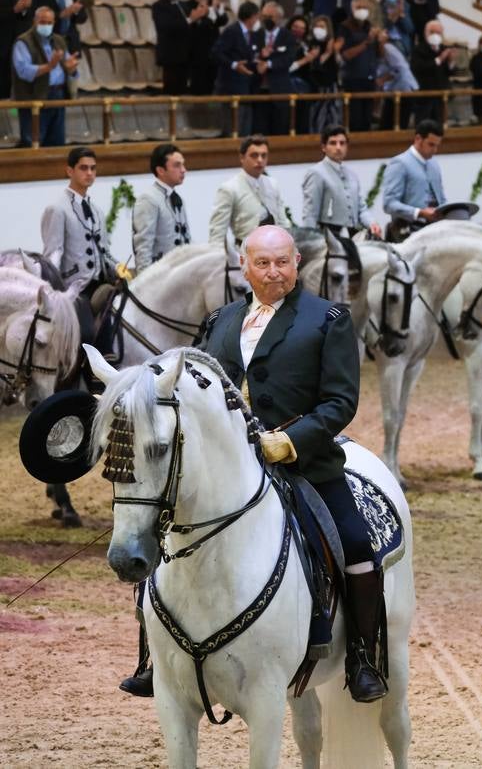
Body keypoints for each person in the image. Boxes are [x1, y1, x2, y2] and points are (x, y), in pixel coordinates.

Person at [121, 224, 388, 703]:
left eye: (282, 262)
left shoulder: (328, 318)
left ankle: (362, 656)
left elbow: (340, 401)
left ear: (297, 264)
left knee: (356, 545)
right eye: (262, 263)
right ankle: (150, 655)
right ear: (245, 267)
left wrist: (289, 441)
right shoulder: (221, 319)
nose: (273, 273)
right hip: (225, 467)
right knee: (160, 534)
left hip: (304, 464)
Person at [41, 146, 116, 295]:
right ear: (70, 171)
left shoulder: (97, 211)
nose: (89, 173)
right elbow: (53, 255)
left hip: (102, 284)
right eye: (83, 168)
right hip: (74, 289)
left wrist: (119, 268)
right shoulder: (57, 209)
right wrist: (53, 292)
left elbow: (105, 252)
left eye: (93, 168)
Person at [12, 5, 79, 147]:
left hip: (58, 97)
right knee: (34, 143)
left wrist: (71, 69)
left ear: (54, 23)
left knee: (57, 143)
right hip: (35, 97)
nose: (46, 26)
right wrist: (49, 67)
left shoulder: (59, 41)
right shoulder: (23, 42)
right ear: (34, 21)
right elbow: (23, 71)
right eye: (42, 22)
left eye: (49, 23)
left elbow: (68, 64)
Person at [208, 135, 290, 246]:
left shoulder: (272, 184)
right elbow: (217, 232)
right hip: (245, 252)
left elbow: (283, 222)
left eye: (264, 155)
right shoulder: (229, 188)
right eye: (254, 155)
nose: (260, 160)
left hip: (274, 250)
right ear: (242, 158)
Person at [302, 124, 381, 238]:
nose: (338, 147)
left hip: (352, 235)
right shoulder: (316, 173)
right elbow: (310, 214)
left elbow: (361, 209)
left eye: (342, 143)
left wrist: (372, 223)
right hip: (328, 237)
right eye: (333, 143)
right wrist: (311, 242)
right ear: (324, 147)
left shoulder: (352, 175)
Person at [382, 118, 446, 240]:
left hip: (435, 226)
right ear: (418, 139)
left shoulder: (434, 164)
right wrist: (419, 212)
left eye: (437, 146)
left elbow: (441, 198)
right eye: (431, 145)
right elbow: (389, 204)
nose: (435, 150)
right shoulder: (400, 163)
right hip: (407, 227)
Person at [132, 144, 191, 274]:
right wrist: (145, 281)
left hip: (180, 273)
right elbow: (143, 246)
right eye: (177, 165)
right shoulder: (148, 199)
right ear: (160, 170)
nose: (183, 170)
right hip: (161, 276)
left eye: (183, 164)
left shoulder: (177, 198)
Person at [211, 0, 261, 137]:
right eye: (257, 16)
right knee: (233, 129)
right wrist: (233, 65)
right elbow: (216, 52)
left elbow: (247, 57)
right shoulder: (232, 31)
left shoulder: (251, 34)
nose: (258, 20)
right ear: (251, 16)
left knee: (245, 130)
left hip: (246, 88)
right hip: (230, 87)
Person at [252, 1, 296, 136]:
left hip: (279, 89)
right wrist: (259, 58)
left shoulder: (288, 36)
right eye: (264, 16)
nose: (266, 20)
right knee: (260, 129)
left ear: (279, 18)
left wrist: (269, 64)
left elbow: (288, 59)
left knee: (280, 129)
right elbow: (250, 55)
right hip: (259, 89)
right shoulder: (256, 34)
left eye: (270, 17)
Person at [151, 0, 201, 95]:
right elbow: (166, 26)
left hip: (185, 54)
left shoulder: (183, 5)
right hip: (170, 55)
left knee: (183, 89)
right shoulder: (159, 6)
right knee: (171, 89)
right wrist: (190, 20)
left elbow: (192, 23)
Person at [336, 0, 379, 132]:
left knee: (367, 117)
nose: (362, 10)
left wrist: (381, 41)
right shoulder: (345, 27)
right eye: (358, 7)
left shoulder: (369, 26)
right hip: (353, 77)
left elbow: (379, 53)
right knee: (355, 117)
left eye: (364, 8)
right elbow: (345, 54)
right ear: (352, 8)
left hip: (369, 76)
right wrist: (366, 42)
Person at [185, 0, 228, 96]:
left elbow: (222, 20)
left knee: (214, 88)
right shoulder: (188, 5)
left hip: (213, 51)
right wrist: (208, 14)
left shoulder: (213, 5)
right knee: (199, 89)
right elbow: (200, 25)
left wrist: (215, 8)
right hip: (197, 53)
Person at [0, 0, 31, 99]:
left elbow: (22, 16)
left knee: (10, 83)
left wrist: (25, 7)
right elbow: (13, 10)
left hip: (13, 40)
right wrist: (15, 10)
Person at [410, 19, 456, 124]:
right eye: (432, 32)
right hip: (425, 94)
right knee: (423, 125)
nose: (435, 35)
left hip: (441, 94)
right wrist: (439, 59)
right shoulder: (418, 50)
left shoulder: (444, 49)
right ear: (426, 33)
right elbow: (418, 68)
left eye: (438, 33)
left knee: (439, 126)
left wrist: (451, 61)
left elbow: (450, 72)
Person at [375, 29, 418, 130]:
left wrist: (383, 79)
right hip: (391, 91)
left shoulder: (388, 49)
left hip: (405, 89)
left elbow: (400, 68)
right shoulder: (375, 52)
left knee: (400, 123)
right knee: (385, 125)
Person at [308, 14, 342, 132]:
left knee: (333, 115)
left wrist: (334, 51)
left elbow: (339, 64)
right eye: (316, 26)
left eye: (322, 26)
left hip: (331, 85)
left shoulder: (333, 45)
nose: (319, 29)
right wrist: (326, 53)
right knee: (318, 117)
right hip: (317, 86)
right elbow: (313, 65)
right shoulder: (311, 44)